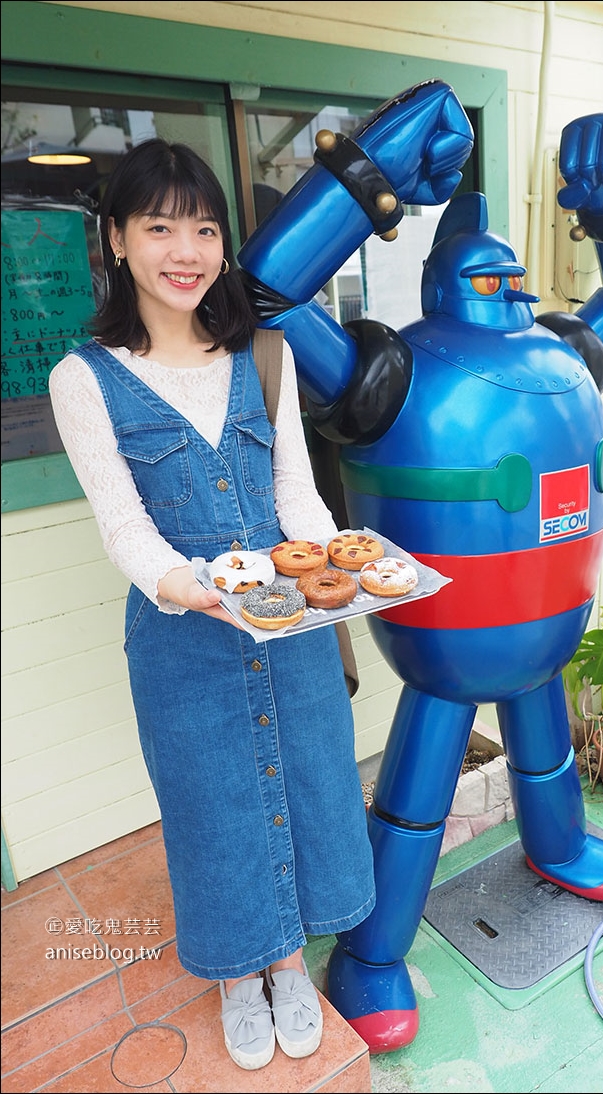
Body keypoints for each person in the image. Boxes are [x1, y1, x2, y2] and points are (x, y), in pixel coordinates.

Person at [48, 139, 376, 1072]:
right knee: (215, 810)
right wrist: (194, 588)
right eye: (159, 226)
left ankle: (289, 964)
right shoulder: (85, 379)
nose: (185, 249)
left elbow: (298, 496)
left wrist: (333, 564)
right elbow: (125, 530)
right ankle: (244, 971)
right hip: (182, 641)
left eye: (203, 227)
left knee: (305, 790)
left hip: (287, 628)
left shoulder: (262, 355)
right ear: (116, 240)